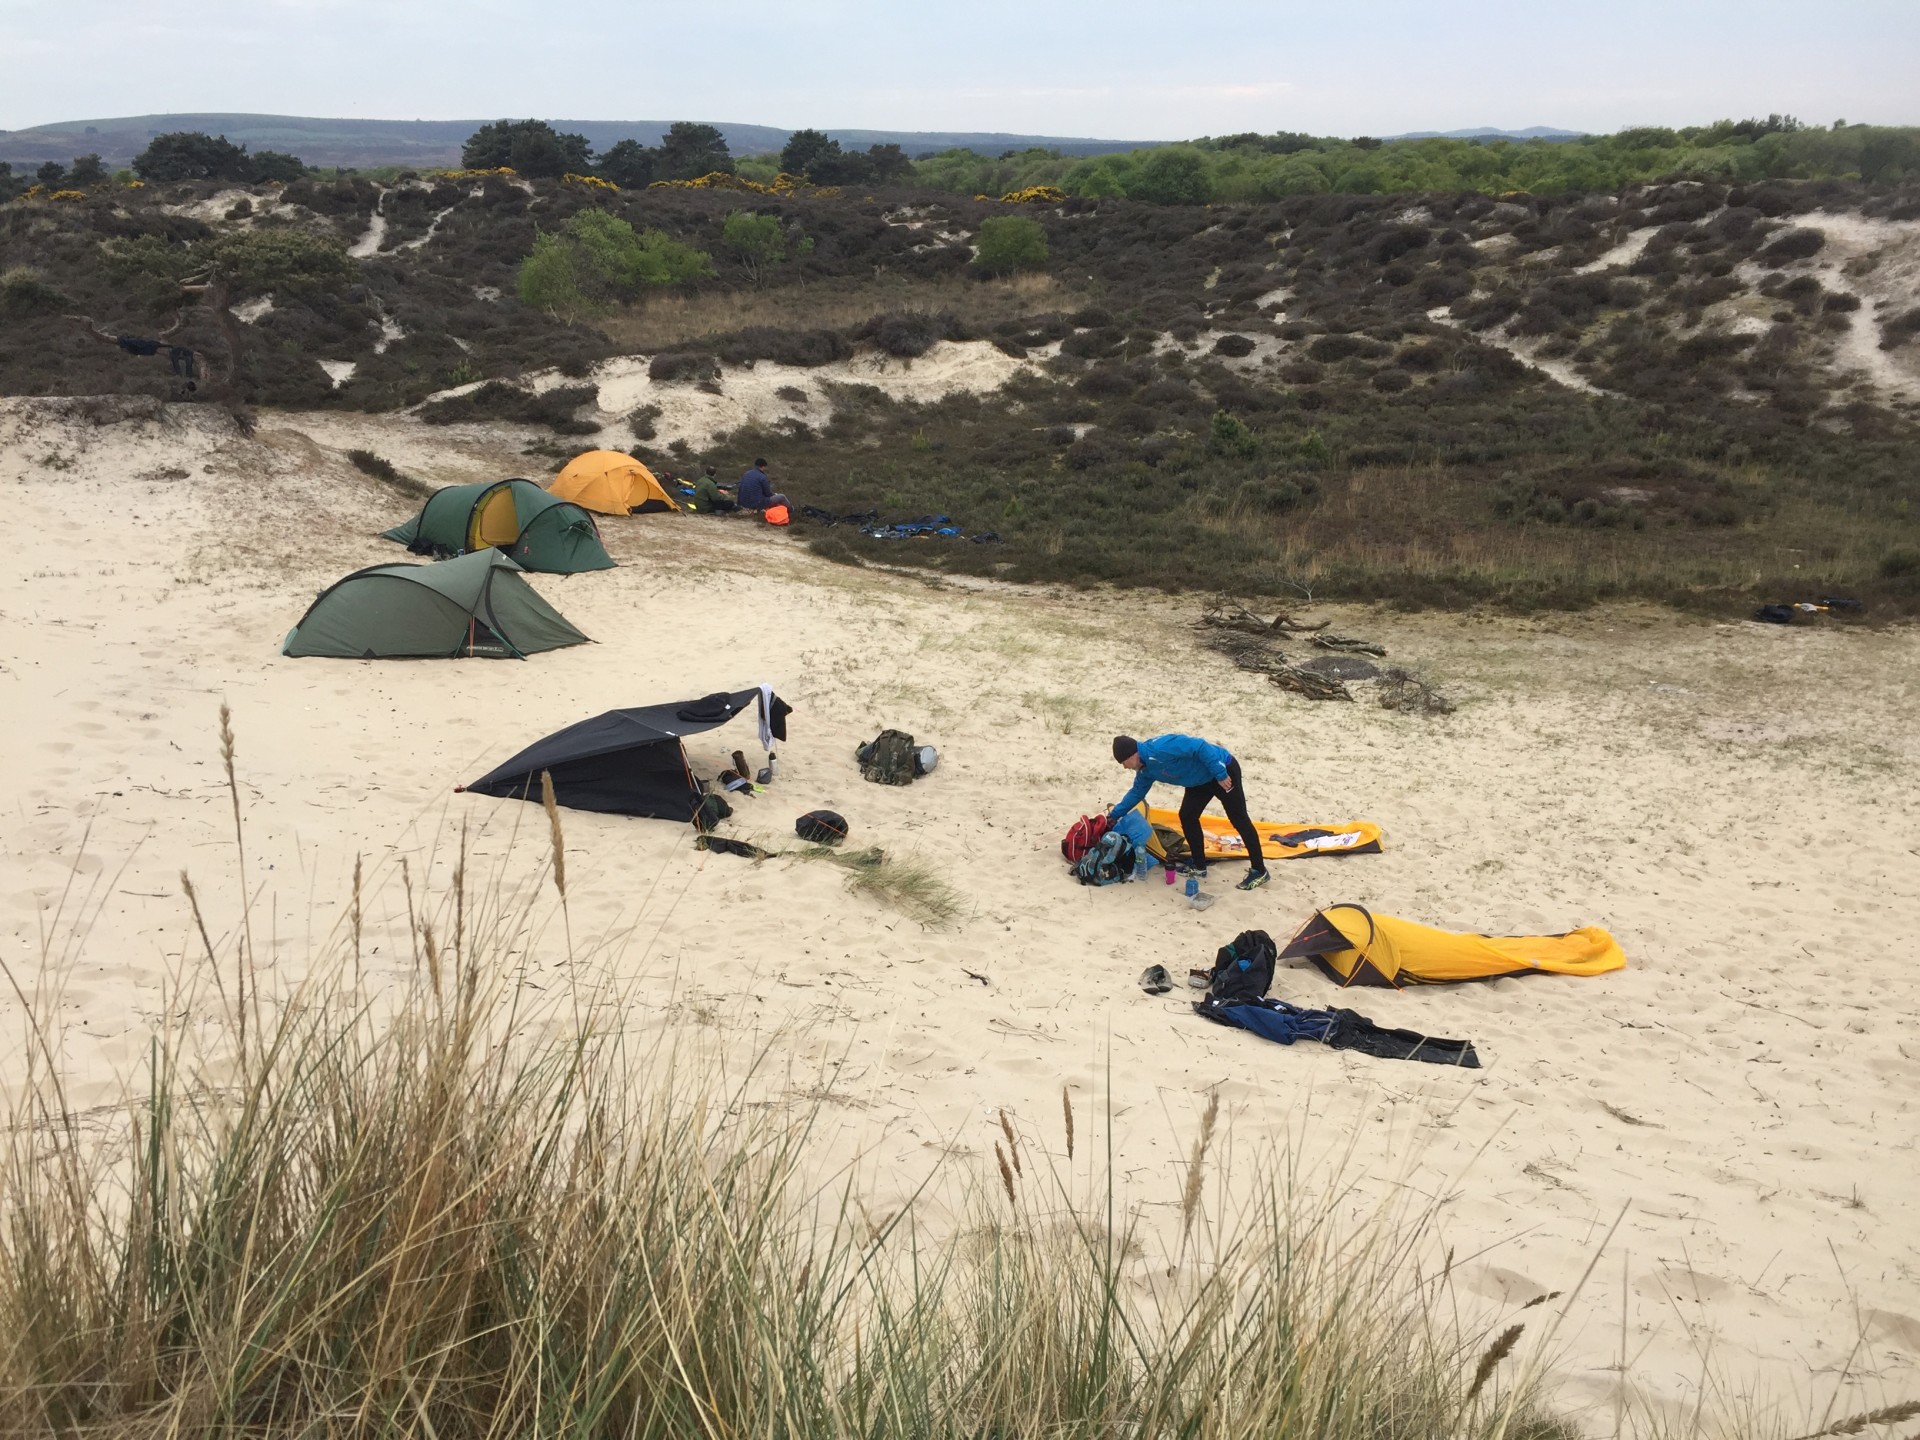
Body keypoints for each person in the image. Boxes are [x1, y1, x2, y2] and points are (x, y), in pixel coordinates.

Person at [1108, 734, 1269, 891]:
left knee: (1239, 819)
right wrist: (1114, 815)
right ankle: (1199, 866)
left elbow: (1200, 746)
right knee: (1187, 816)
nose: (1125, 767)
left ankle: (1259, 871)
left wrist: (1220, 774)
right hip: (1199, 782)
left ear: (1132, 754)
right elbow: (1137, 792)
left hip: (1222, 771)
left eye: (1123, 762)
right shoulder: (1145, 770)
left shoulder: (1160, 748)